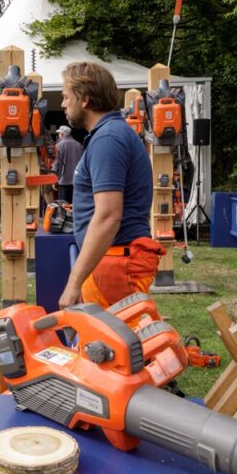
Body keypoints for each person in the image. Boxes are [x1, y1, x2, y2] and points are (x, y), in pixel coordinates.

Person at [57, 62, 165, 310]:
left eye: (66, 97)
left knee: (112, 347)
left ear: (84, 99)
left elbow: (108, 215)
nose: (63, 104)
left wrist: (74, 283)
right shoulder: (109, 134)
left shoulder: (107, 139)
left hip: (116, 261)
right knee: (111, 345)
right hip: (112, 259)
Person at [53, 124, 84, 204]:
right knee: (74, 205)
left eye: (59, 133)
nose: (58, 135)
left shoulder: (59, 145)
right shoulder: (79, 145)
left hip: (63, 181)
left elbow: (56, 163)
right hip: (76, 181)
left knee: (63, 207)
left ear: (62, 134)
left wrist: (54, 180)